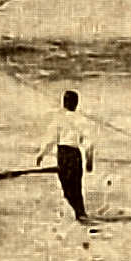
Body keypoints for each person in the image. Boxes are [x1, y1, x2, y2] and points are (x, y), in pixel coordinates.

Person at [35, 90, 96, 222]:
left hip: (63, 154)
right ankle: (80, 212)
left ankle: (79, 211)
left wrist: (41, 154)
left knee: (66, 186)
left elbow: (51, 139)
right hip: (75, 154)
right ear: (76, 103)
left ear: (64, 103)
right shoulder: (81, 120)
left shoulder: (59, 119)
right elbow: (88, 142)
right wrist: (89, 159)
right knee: (76, 185)